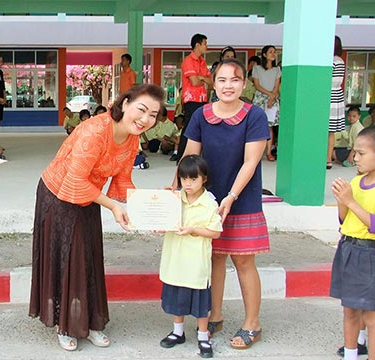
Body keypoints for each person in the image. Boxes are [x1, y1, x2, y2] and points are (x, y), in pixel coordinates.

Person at [29, 83, 164, 351]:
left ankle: (90, 323)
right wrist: (113, 206)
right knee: (68, 257)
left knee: (88, 256)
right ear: (124, 104)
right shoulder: (94, 130)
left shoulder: (132, 137)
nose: (145, 119)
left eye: (153, 115)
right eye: (141, 109)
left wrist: (153, 207)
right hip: (58, 194)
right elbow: (75, 179)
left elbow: (123, 180)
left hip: (88, 194)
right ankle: (65, 324)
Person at [179, 58, 270, 350]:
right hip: (207, 199)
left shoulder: (255, 116)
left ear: (244, 84)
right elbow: (190, 157)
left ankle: (252, 324)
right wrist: (177, 190)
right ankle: (214, 315)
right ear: (213, 83)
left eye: (234, 80)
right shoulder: (202, 115)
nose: (228, 85)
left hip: (241, 199)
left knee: (243, 260)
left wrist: (231, 197)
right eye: (221, 80)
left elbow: (250, 162)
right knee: (213, 256)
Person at [158, 155, 222, 359]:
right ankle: (178, 332)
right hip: (176, 261)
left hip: (197, 265)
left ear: (204, 178)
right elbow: (162, 219)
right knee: (177, 298)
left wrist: (193, 230)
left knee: (201, 304)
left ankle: (203, 336)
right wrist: (162, 203)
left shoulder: (209, 203)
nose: (188, 183)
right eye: (184, 178)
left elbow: (216, 232)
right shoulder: (175, 199)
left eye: (193, 179)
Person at [330, 126, 375, 360]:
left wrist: (350, 201)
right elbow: (344, 220)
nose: (355, 158)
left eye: (361, 153)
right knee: (349, 309)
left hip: (369, 254)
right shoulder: (356, 183)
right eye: (354, 153)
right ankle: (350, 353)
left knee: (370, 315)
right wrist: (342, 201)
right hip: (348, 248)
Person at [177, 33, 212, 162]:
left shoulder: (203, 62)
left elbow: (212, 82)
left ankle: (196, 156)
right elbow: (194, 82)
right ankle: (181, 157)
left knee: (202, 128)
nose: (207, 46)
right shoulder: (188, 61)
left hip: (203, 99)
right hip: (191, 99)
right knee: (189, 128)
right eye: (205, 43)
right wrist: (203, 79)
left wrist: (202, 78)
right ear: (197, 45)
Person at [252, 45, 281, 161]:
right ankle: (256, 152)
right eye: (270, 52)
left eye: (274, 52)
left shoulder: (277, 70)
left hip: (272, 99)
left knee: (269, 126)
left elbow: (276, 86)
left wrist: (272, 97)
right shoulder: (257, 69)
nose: (273, 54)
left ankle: (269, 152)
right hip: (260, 98)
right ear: (264, 54)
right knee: (257, 125)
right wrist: (270, 95)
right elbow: (257, 86)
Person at [327, 36, 347, 170]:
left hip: (329, 95)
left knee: (325, 130)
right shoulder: (340, 61)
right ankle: (328, 159)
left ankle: (326, 158)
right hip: (337, 95)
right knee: (331, 131)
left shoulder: (330, 61)